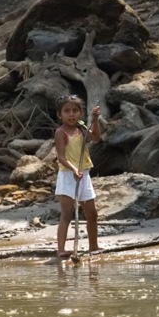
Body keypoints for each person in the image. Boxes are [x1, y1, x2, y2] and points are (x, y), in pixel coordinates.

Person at [54, 95, 102, 259]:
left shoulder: (81, 128)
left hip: (84, 174)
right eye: (67, 111)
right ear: (60, 114)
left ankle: (93, 246)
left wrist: (95, 119)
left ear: (81, 113)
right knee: (67, 214)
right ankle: (61, 249)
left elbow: (96, 137)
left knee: (92, 214)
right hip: (68, 175)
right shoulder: (60, 132)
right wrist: (74, 169)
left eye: (75, 111)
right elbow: (61, 157)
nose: (71, 114)